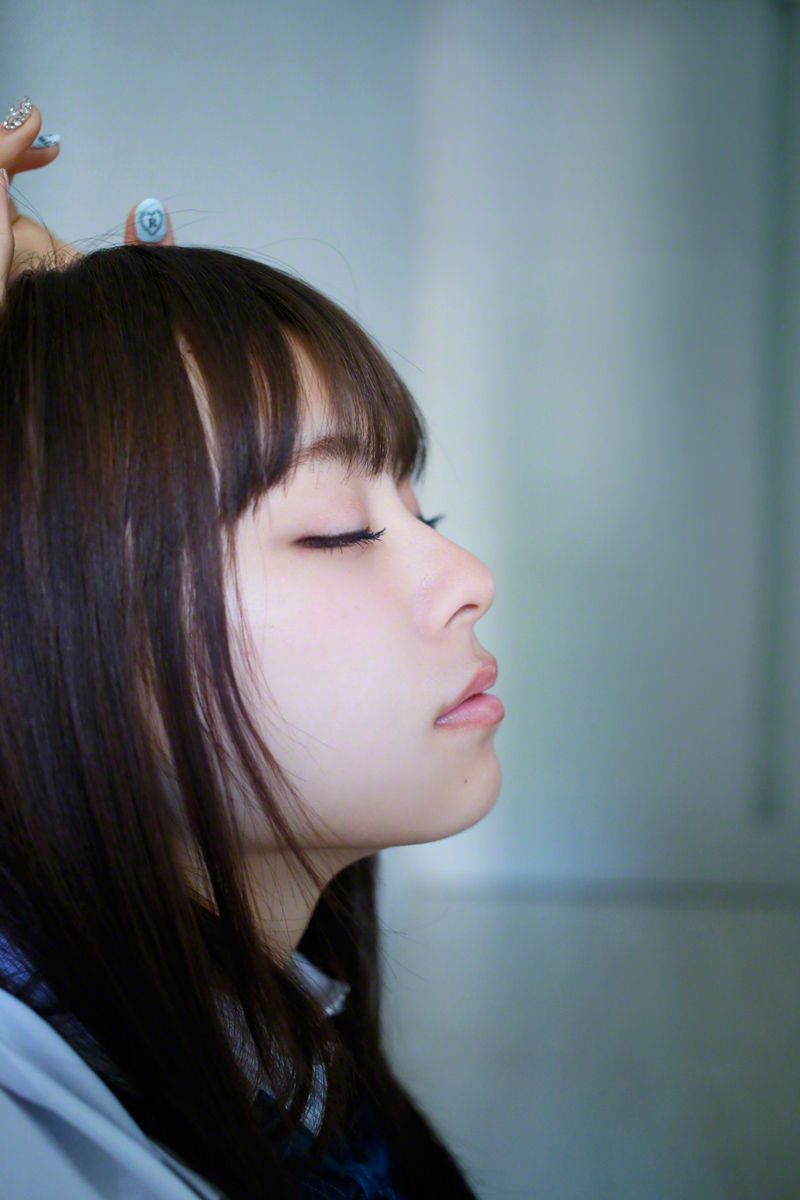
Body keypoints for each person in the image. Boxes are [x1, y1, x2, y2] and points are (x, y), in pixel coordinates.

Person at [0, 95, 504, 1200]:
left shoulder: (277, 1030)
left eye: (422, 509)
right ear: (60, 621)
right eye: (339, 529)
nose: (469, 579)